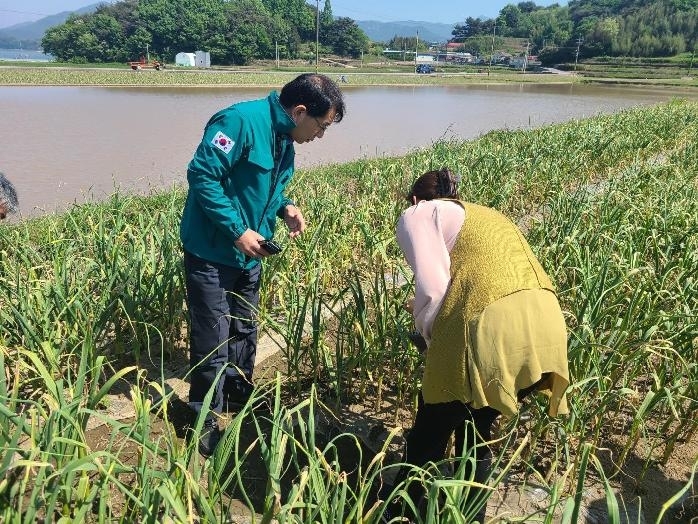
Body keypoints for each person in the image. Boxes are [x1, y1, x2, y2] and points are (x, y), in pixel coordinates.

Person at [384, 168, 570, 522]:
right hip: (544, 321)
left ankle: (400, 507)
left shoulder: (420, 212)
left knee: (429, 431)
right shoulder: (484, 214)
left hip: (491, 323)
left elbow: (435, 291)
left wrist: (425, 331)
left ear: (413, 200)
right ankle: (471, 515)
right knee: (477, 429)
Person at [180, 73, 345, 458]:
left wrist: (285, 208)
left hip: (249, 253)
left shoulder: (285, 139)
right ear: (300, 111)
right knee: (212, 334)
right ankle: (202, 414)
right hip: (212, 250)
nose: (320, 136)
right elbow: (202, 175)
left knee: (244, 324)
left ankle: (237, 391)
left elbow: (271, 187)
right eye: (320, 127)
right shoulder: (238, 122)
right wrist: (237, 230)